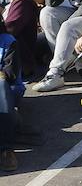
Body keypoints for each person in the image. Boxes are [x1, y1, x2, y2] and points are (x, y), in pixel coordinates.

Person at [0, 17, 23, 172]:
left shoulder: (8, 42)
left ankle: (7, 149)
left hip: (7, 92)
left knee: (0, 83)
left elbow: (9, 74)